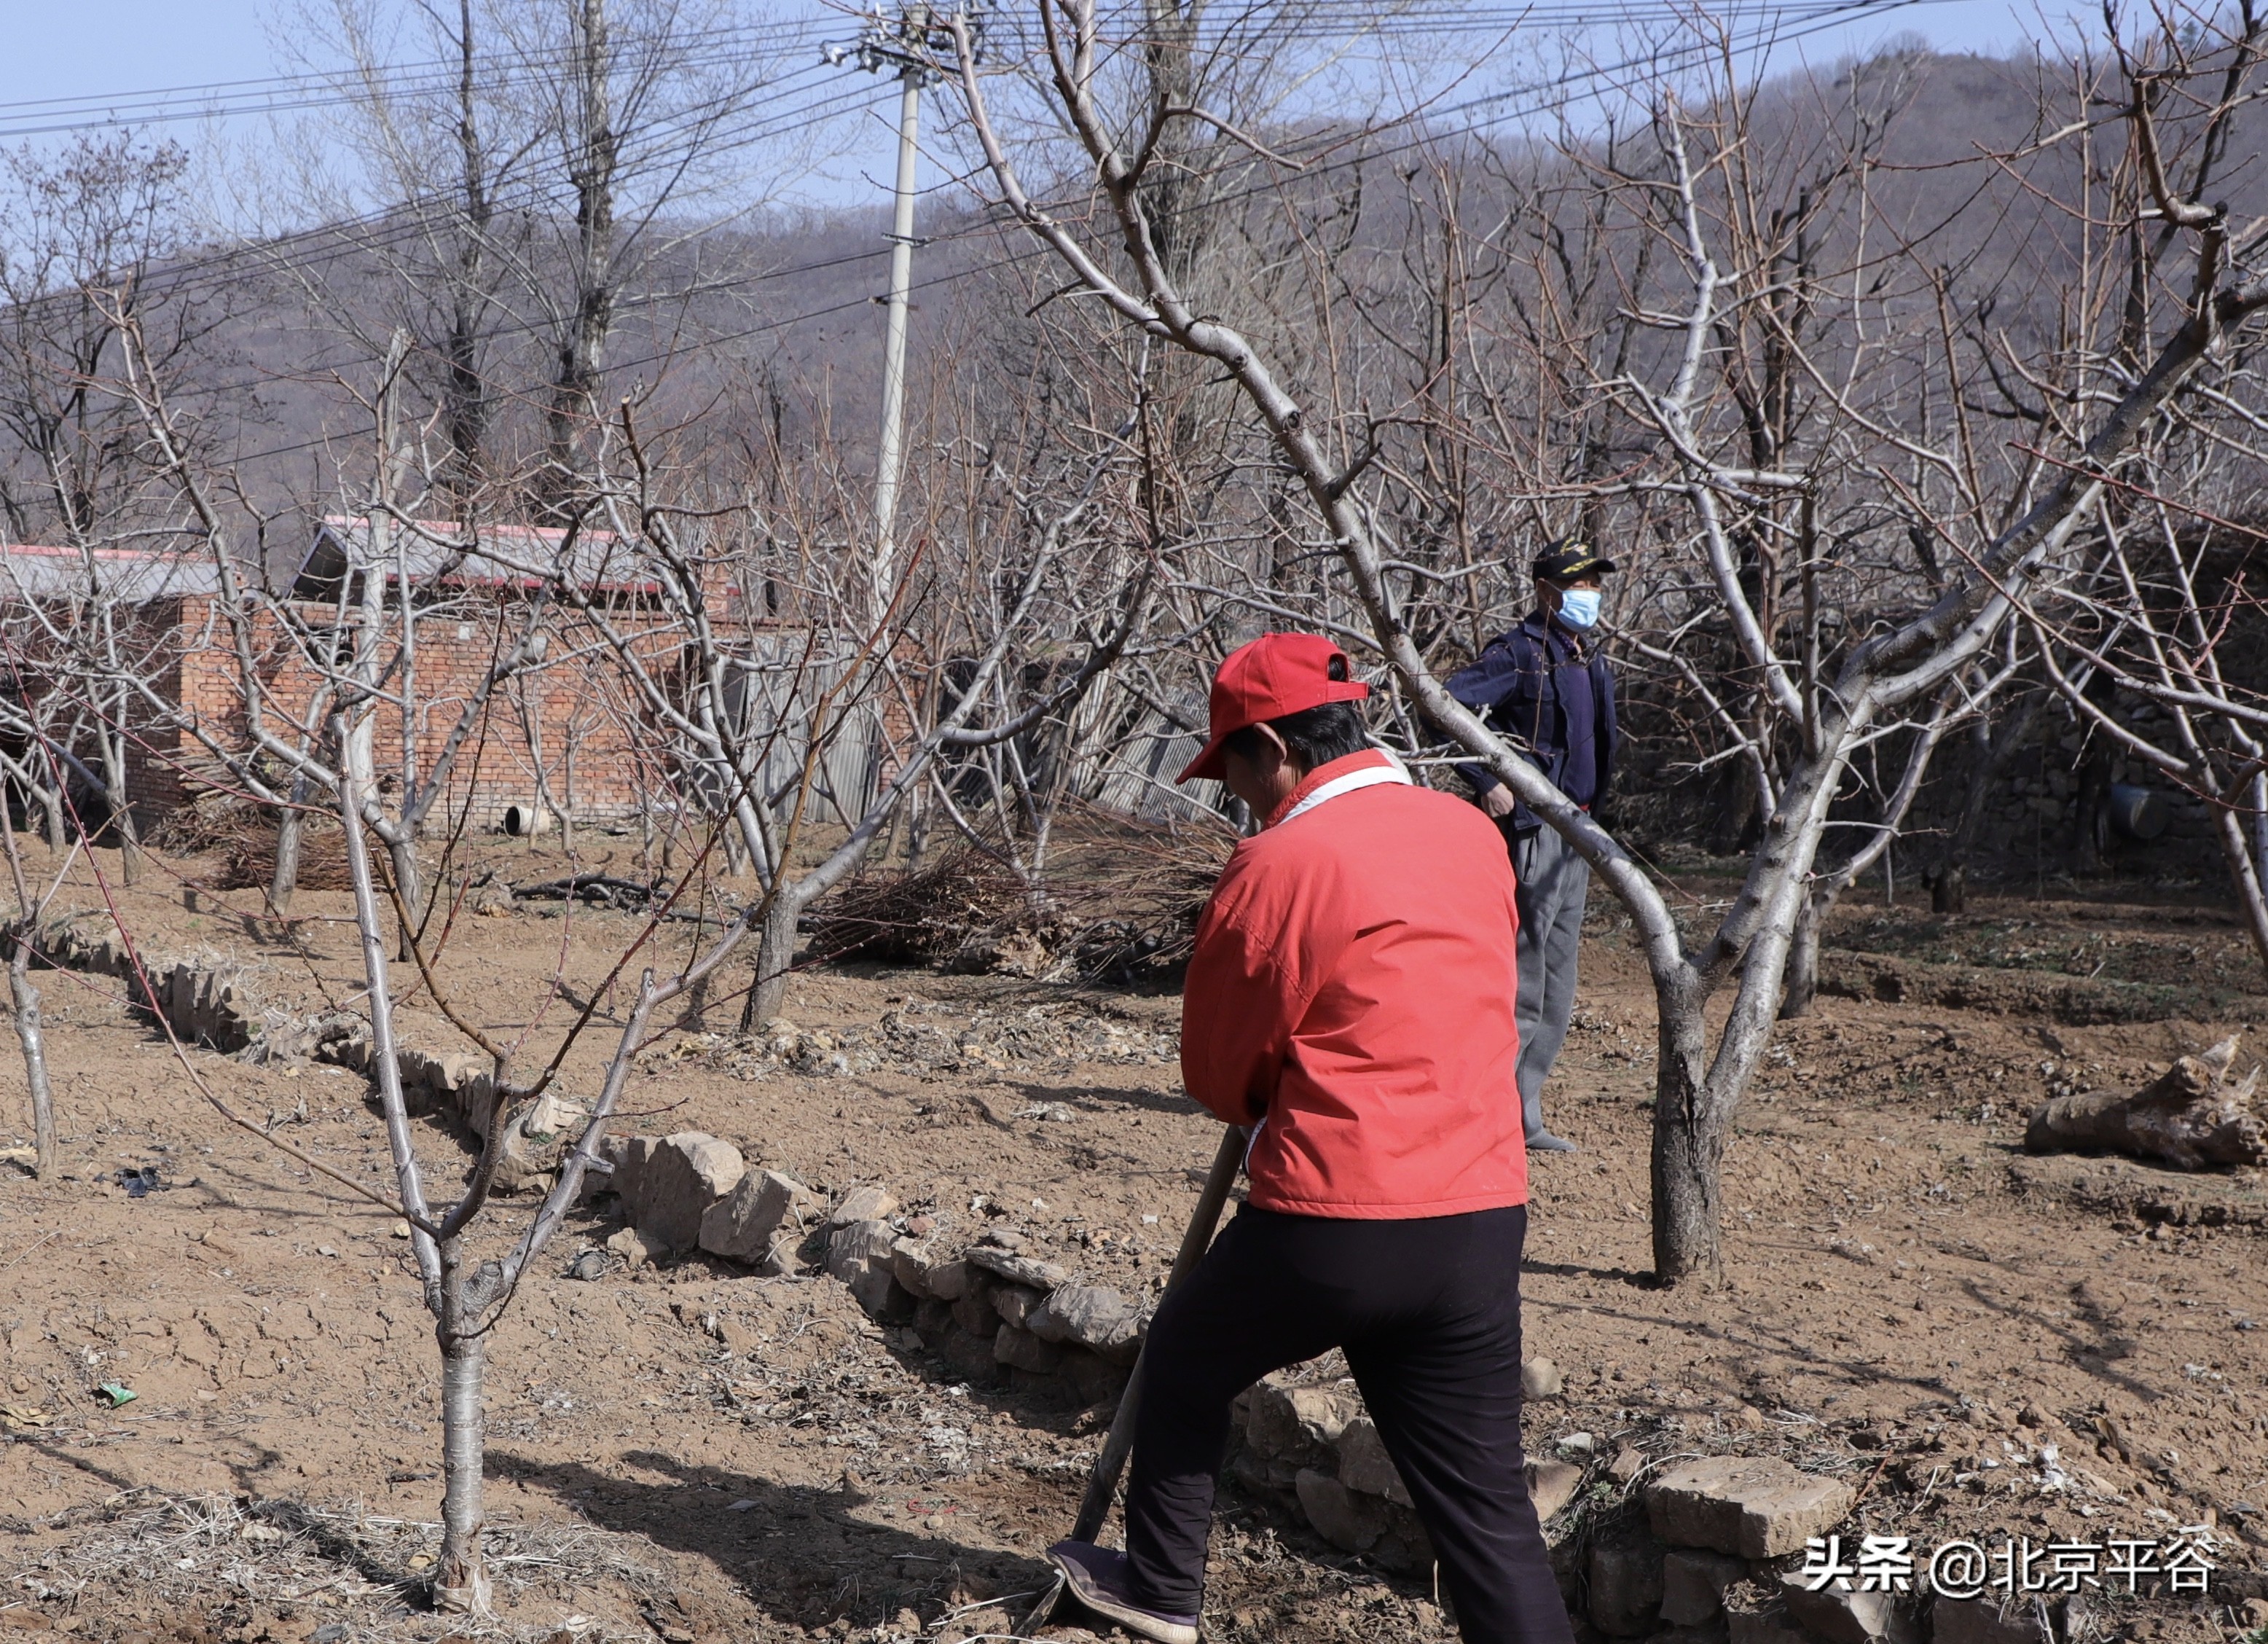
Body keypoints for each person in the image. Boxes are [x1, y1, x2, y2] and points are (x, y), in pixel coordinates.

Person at [1045, 633, 1574, 1644]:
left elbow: (1217, 1076)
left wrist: (1269, 1080)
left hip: (1338, 1219)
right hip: (1477, 1215)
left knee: (1187, 1354)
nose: (1237, 795)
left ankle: (1160, 1592)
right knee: (1483, 1508)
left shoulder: (1279, 861)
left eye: (1235, 771)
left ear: (1276, 750)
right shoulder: (1469, 833)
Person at [1444, 542, 1619, 1155]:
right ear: (1545, 591)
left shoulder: (1585, 657)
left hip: (1578, 831)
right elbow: (1444, 708)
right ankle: (1491, 1115)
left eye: (1595, 582)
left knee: (1558, 978)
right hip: (1531, 830)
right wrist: (1487, 782)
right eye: (1578, 583)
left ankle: (1524, 1116)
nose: (1590, 593)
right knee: (1521, 973)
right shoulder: (1517, 654)